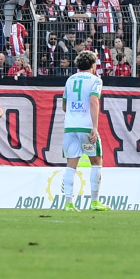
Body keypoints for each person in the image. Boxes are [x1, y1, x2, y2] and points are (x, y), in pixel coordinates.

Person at [58, 49, 109, 210]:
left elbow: (64, 106)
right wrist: (94, 126)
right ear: (93, 65)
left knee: (71, 165)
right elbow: (94, 101)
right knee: (96, 161)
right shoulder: (95, 80)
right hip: (86, 126)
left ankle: (68, 203)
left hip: (70, 127)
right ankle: (94, 202)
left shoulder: (70, 79)